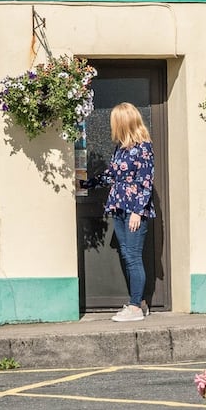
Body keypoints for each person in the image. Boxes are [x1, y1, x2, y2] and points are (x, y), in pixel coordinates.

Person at [80, 102, 155, 322]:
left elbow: (146, 182)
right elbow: (112, 175)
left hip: (133, 209)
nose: (112, 125)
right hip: (119, 207)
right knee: (126, 254)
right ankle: (139, 301)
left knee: (132, 257)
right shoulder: (121, 148)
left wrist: (137, 212)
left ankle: (134, 309)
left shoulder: (143, 148)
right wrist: (87, 184)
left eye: (115, 121)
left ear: (124, 122)